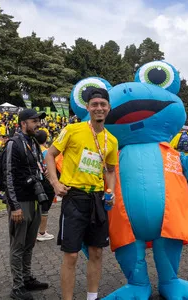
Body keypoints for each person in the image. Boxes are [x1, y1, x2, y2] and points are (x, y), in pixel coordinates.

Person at [45, 88, 118, 300]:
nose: (99, 108)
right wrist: (55, 183)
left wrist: (110, 190)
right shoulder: (72, 129)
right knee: (72, 254)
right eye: (94, 104)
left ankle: (92, 297)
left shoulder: (111, 140)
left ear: (108, 108)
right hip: (74, 198)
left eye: (103, 104)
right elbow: (50, 155)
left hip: (97, 199)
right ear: (87, 107)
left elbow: (111, 171)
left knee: (96, 252)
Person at [4, 109, 49, 300]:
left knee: (29, 243)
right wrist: (14, 206)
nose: (37, 124)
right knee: (18, 245)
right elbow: (9, 176)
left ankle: (27, 278)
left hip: (34, 199)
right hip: (20, 201)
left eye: (38, 121)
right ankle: (17, 286)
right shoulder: (14, 144)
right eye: (34, 121)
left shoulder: (32, 142)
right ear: (23, 123)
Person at [34, 130, 55, 242]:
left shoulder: (33, 150)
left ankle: (34, 231)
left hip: (35, 181)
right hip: (45, 182)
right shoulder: (47, 152)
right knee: (45, 208)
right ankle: (42, 232)